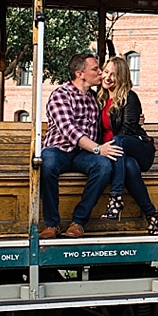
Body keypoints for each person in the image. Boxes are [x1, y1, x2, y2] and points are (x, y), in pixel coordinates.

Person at [40, 53, 120, 239]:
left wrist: (135, 119)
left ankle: (78, 223)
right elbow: (69, 130)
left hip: (84, 154)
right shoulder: (61, 95)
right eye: (95, 69)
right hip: (59, 150)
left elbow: (112, 114)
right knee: (47, 162)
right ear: (80, 73)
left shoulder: (94, 98)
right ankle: (52, 224)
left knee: (104, 166)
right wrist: (99, 149)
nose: (100, 72)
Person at [97, 55, 158, 236]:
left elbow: (127, 130)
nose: (108, 77)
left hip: (140, 148)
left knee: (118, 141)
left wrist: (105, 149)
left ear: (122, 77)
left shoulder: (129, 97)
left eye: (114, 75)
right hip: (121, 156)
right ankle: (152, 215)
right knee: (129, 166)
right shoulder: (99, 98)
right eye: (106, 72)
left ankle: (116, 197)